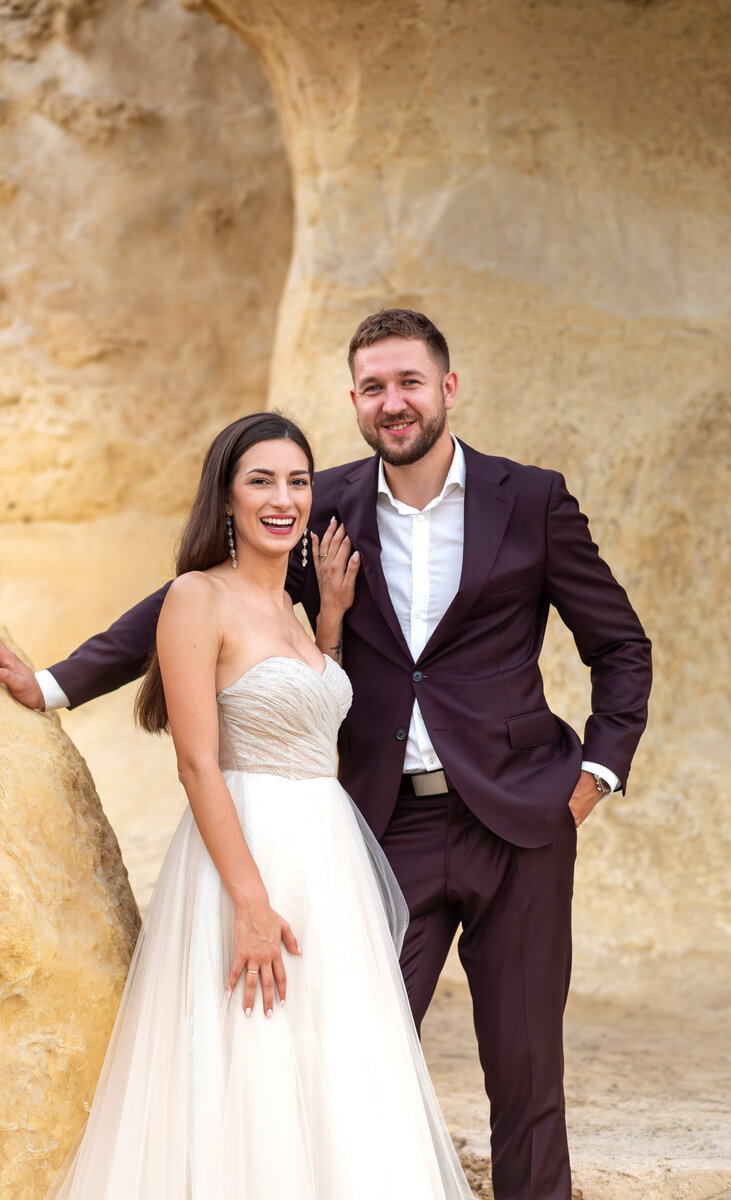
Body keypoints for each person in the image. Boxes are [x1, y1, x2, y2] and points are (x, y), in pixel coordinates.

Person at [1, 310, 653, 1200]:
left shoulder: (532, 499)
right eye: (374, 387)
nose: (394, 403)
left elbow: (619, 643)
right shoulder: (321, 503)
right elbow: (187, 599)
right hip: (386, 830)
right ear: (354, 399)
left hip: (522, 824)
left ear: (448, 389)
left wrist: (594, 778)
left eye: (410, 383)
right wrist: (57, 683)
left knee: (529, 1078)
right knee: (346, 1058)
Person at [22, 412, 475, 1200]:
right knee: (250, 1065)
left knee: (327, 1067)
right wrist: (251, 900)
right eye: (260, 480)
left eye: (297, 480)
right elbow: (198, 764)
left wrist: (330, 623)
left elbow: (306, 711)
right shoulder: (198, 598)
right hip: (248, 853)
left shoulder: (297, 611)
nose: (284, 497)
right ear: (224, 499)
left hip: (324, 861)